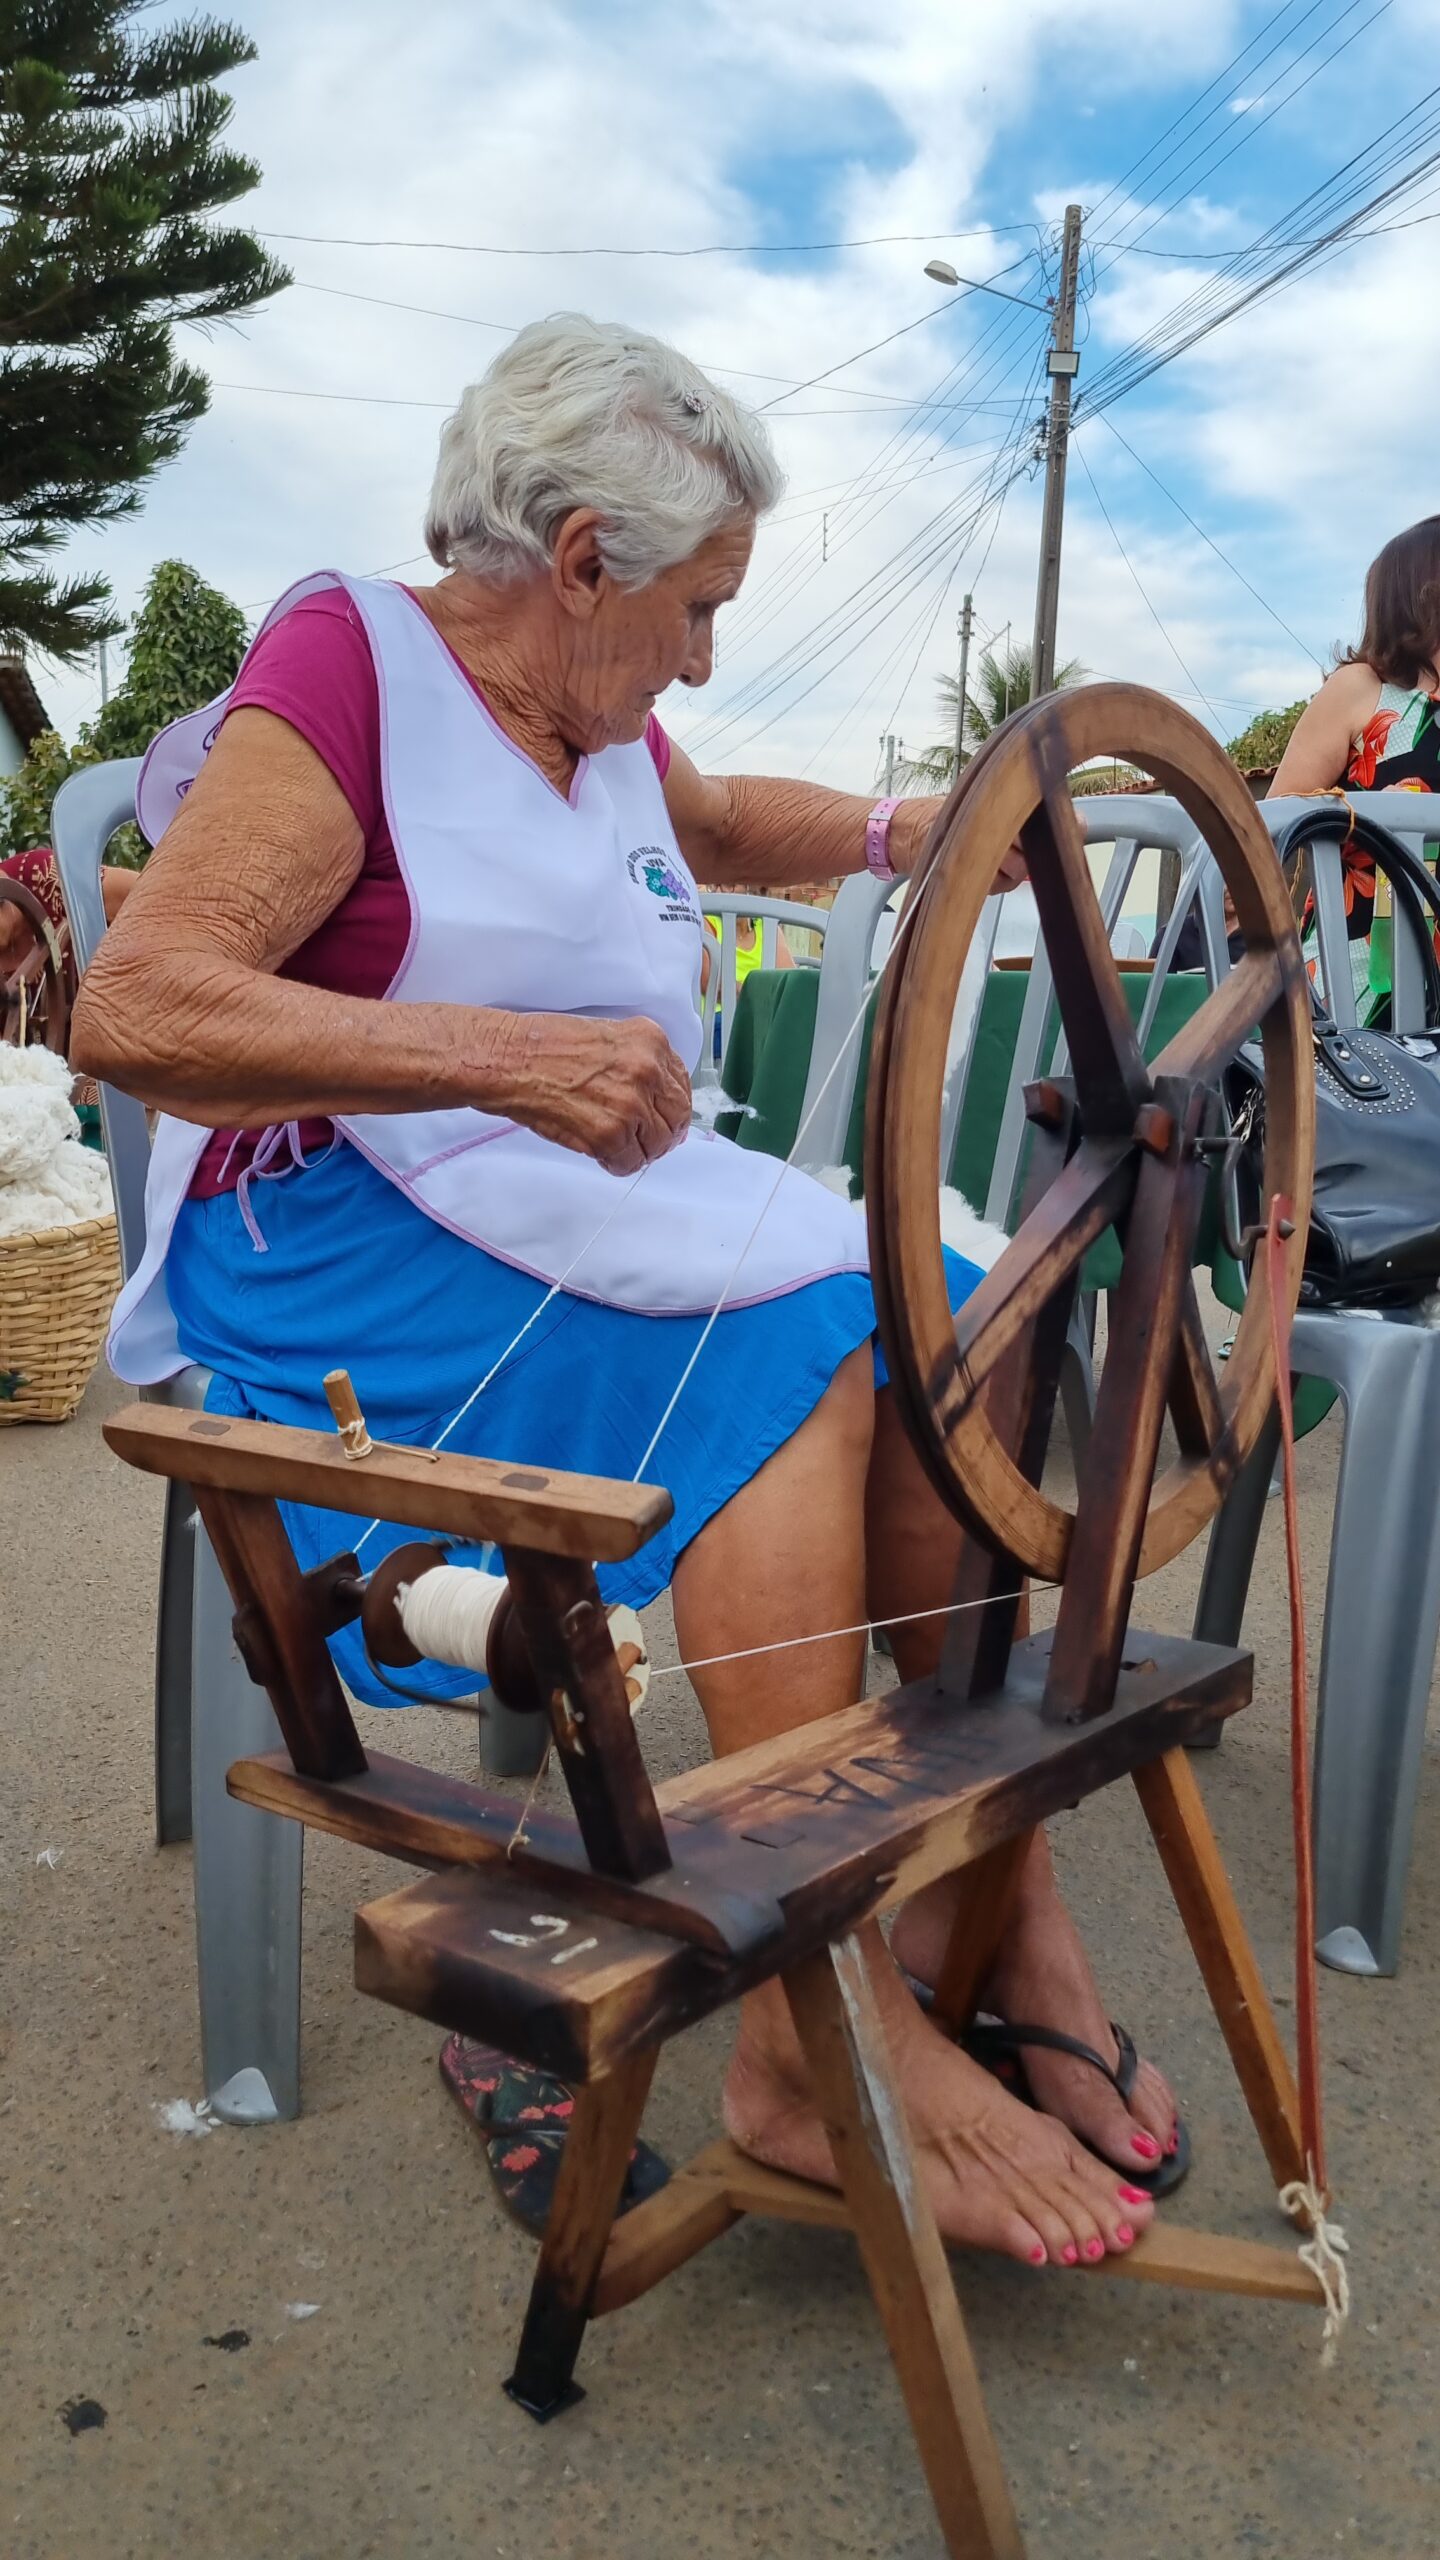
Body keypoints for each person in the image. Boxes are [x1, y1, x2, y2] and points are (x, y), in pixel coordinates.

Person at [73, 314, 1178, 2266]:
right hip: (340, 1228)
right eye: (698, 605)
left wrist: (904, 831)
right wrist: (502, 1056)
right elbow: (140, 1009)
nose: (704, 654)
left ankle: (986, 1901)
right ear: (582, 560)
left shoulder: (597, 722)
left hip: (572, 1178)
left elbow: (718, 820)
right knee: (799, 1347)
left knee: (964, 1312)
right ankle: (806, 2017)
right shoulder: (351, 667)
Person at [1272, 515, 1440, 931]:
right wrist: (1367, 815)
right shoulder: (1362, 688)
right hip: (1358, 957)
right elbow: (1271, 822)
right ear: (1423, 595)